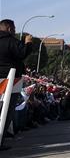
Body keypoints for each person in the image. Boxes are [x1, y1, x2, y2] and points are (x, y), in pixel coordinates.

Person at [0, 19, 32, 149]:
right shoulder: (10, 41)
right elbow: (22, 53)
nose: (14, 31)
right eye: (13, 28)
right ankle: (0, 139)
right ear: (8, 28)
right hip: (11, 79)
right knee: (7, 110)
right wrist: (28, 43)